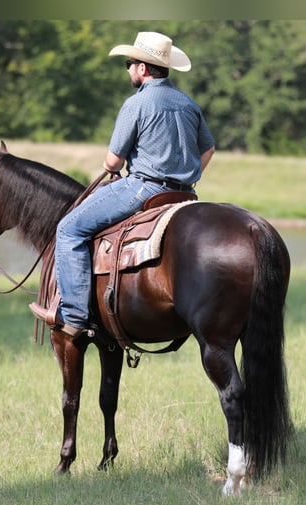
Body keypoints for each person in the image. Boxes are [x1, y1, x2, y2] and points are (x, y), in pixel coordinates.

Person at [30, 31, 216, 337]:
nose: (128, 69)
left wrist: (107, 165)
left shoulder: (137, 103)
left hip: (144, 189)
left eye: (129, 63)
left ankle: (74, 315)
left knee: (68, 228)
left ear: (143, 69)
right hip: (185, 195)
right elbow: (207, 149)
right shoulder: (188, 103)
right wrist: (190, 174)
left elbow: (114, 161)